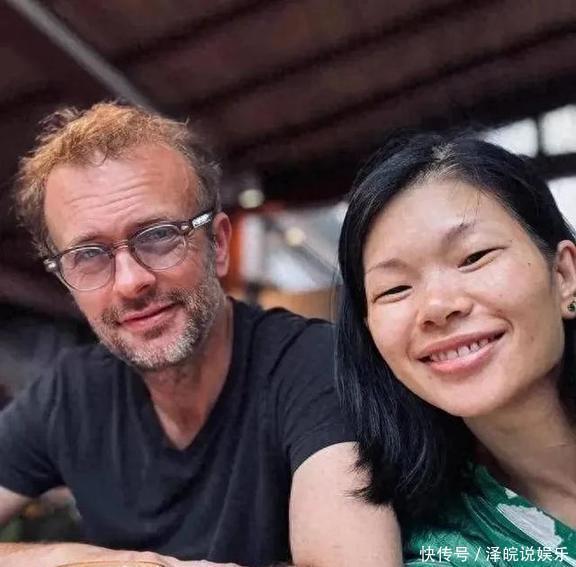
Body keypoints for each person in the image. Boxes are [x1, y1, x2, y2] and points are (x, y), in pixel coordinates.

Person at [0, 102, 401, 567]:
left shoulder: (315, 365)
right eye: (88, 254)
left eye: (158, 235)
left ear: (218, 244)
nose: (130, 282)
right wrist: (69, 559)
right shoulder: (70, 392)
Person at [336, 133, 576, 566]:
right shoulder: (430, 548)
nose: (438, 307)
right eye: (394, 288)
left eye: (474, 257)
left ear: (563, 275)